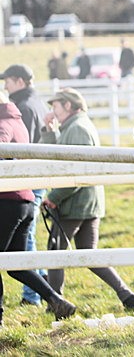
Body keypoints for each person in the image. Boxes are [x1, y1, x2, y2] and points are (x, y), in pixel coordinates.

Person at [41, 88, 134, 313]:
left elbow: (78, 173)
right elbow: (55, 154)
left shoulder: (77, 129)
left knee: (55, 252)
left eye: (56, 106)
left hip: (75, 205)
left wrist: (54, 197)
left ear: (68, 106)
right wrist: (49, 131)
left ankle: (56, 303)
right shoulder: (75, 127)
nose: (53, 111)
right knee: (89, 253)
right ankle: (126, 294)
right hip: (87, 203)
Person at [0, 93, 77, 324]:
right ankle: (56, 301)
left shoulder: (3, 123)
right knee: (16, 265)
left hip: (7, 200)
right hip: (23, 200)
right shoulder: (17, 120)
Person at [1, 64, 49, 306]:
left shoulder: (21, 108)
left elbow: (13, 150)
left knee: (25, 242)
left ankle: (33, 297)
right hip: (30, 184)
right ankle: (50, 295)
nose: (6, 85)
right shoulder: (33, 104)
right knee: (21, 247)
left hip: (18, 187)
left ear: (19, 81)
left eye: (8, 80)